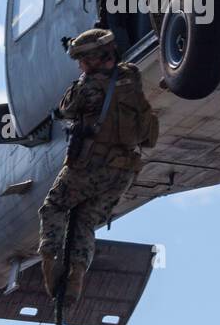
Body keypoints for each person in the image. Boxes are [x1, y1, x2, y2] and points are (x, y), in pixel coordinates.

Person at [38, 28, 159, 304]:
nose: (80, 65)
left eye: (82, 60)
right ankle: (76, 279)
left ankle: (49, 264)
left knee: (54, 206)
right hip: (124, 170)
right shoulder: (131, 75)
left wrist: (82, 79)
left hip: (92, 165)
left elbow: (66, 108)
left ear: (92, 60)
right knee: (85, 220)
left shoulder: (87, 86)